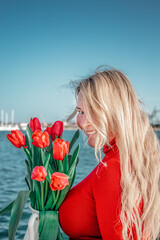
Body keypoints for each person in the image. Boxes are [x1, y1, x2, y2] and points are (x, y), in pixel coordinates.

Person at [59, 67, 160, 240]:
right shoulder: (131, 158)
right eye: (80, 112)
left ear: (116, 112)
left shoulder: (113, 167)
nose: (82, 122)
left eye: (92, 111)